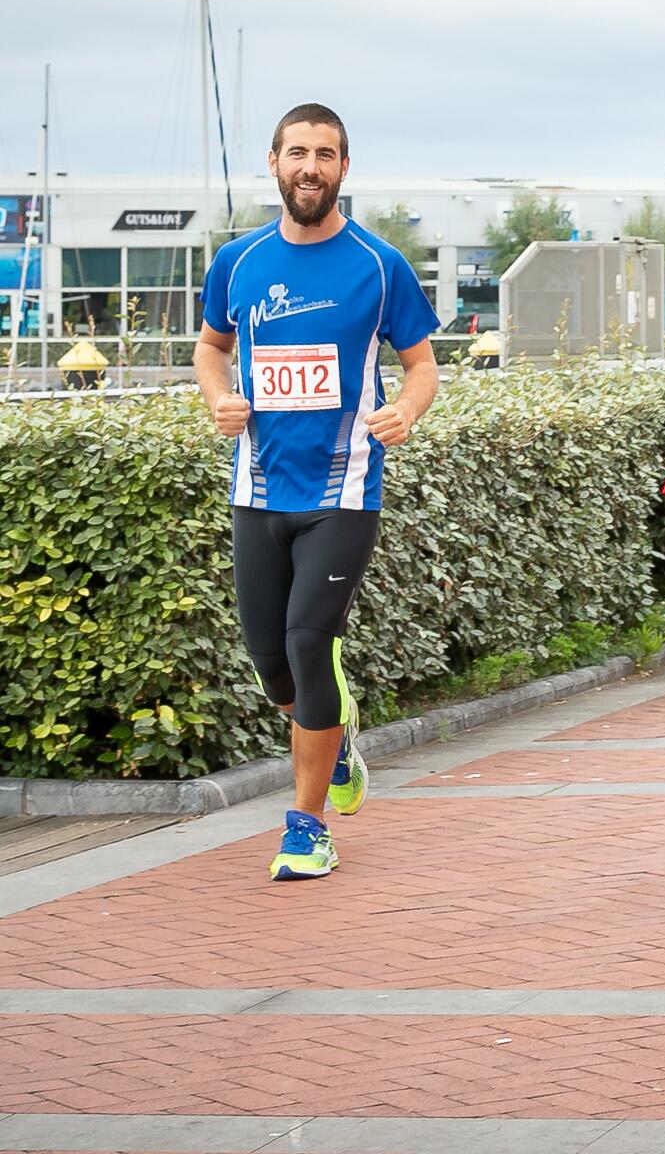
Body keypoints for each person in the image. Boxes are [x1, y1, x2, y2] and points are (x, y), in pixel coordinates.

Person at [193, 104, 441, 882]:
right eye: (297, 152)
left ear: (342, 168)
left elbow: (422, 364)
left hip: (345, 490)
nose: (311, 166)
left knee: (309, 641)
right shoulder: (237, 262)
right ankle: (330, 741)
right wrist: (217, 397)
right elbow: (210, 348)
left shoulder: (378, 264)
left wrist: (405, 408)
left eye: (325, 154)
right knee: (271, 661)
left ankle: (306, 829)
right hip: (258, 490)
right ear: (274, 163)